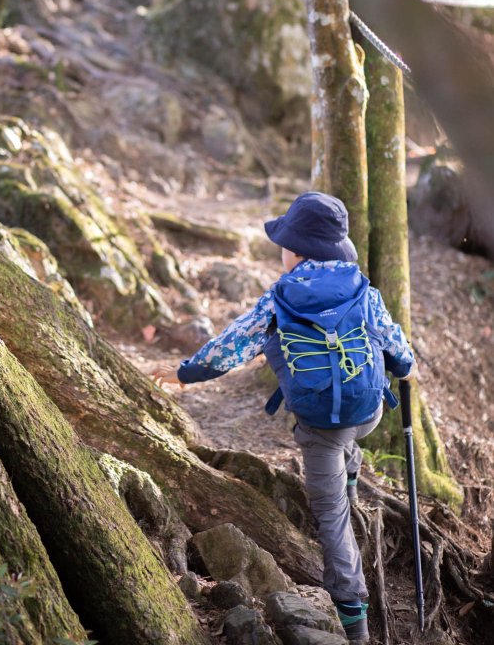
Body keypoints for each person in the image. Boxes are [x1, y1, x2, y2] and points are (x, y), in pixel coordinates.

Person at [152, 191, 416, 643]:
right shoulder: (363, 289)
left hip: (319, 427)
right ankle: (350, 473)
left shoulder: (280, 298)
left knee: (332, 520)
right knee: (348, 435)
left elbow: (231, 345)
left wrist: (183, 374)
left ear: (296, 249)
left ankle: (356, 628)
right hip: (369, 411)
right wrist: (408, 369)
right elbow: (398, 351)